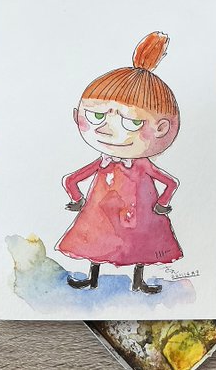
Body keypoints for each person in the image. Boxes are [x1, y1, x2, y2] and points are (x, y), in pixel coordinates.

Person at [56, 32, 182, 294]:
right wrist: (77, 199)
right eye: (97, 116)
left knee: (140, 243)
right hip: (101, 211)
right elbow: (72, 179)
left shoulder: (141, 165)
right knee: (96, 239)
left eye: (132, 122)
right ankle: (92, 278)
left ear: (161, 128)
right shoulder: (104, 161)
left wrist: (161, 204)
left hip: (139, 213)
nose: (107, 130)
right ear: (77, 115)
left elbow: (170, 183)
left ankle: (138, 280)